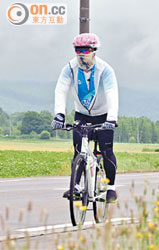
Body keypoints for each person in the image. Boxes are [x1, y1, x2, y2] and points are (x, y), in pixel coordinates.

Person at [51, 33, 119, 203]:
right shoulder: (69, 68)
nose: (82, 54)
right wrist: (59, 114)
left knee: (106, 150)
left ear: (94, 51)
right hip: (81, 114)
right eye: (78, 50)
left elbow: (112, 94)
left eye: (86, 50)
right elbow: (61, 90)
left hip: (103, 115)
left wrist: (111, 119)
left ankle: (111, 188)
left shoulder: (105, 70)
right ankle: (75, 186)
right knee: (79, 151)